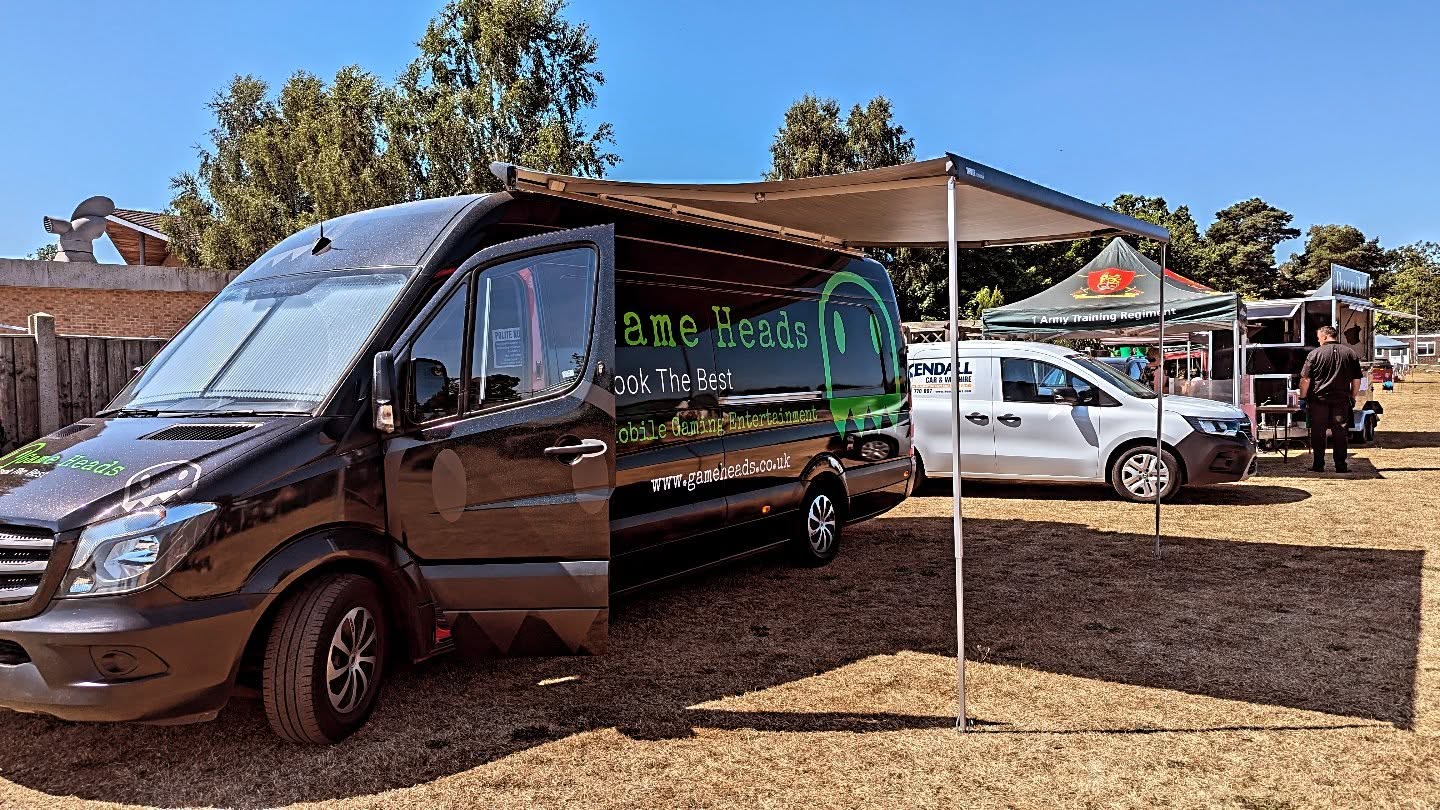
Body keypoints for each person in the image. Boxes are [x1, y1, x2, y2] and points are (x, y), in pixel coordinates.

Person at [1299, 325, 1363, 473]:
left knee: (1318, 433)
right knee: (1340, 433)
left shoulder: (1314, 354)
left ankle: (1318, 464)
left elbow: (1305, 379)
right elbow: (1356, 379)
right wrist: (1352, 397)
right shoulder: (1350, 353)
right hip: (1341, 400)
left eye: (1319, 337)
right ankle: (1341, 465)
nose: (1318, 340)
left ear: (1326, 336)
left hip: (1318, 400)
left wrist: (1303, 398)